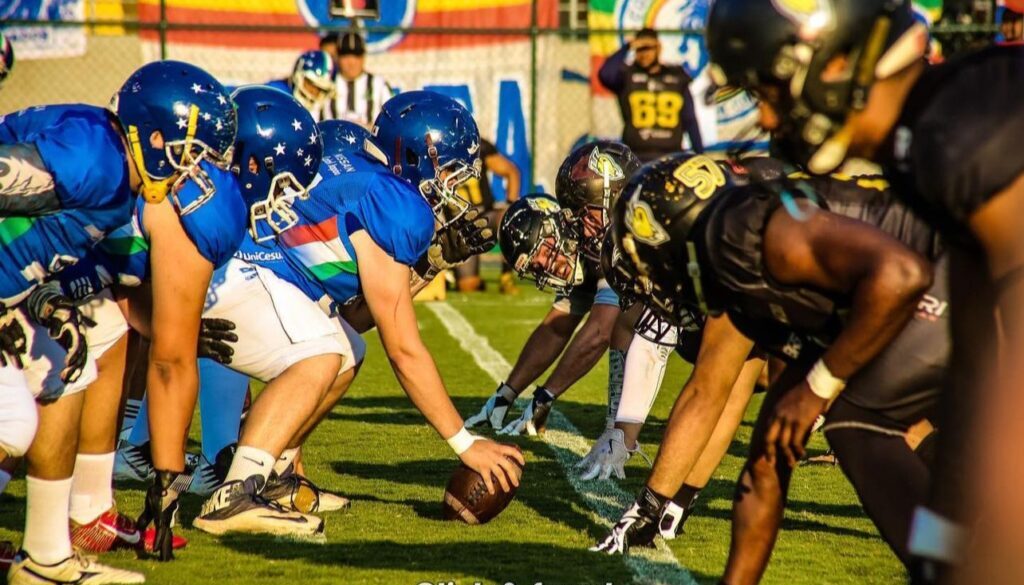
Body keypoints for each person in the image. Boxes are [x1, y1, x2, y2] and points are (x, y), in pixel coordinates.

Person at [706, 1, 1024, 579]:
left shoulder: (956, 134)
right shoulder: (924, 146)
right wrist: (939, 550)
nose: (772, 121)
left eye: (773, 92)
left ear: (834, 60)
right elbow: (977, 373)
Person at [595, 155, 948, 578]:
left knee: (857, 421)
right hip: (916, 288)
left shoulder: (752, 233)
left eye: (655, 261)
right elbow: (712, 397)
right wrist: (652, 508)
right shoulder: (735, 276)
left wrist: (819, 386)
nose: (659, 280)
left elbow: (901, 273)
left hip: (951, 270)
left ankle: (955, 560)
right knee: (771, 452)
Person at [0, 59, 237, 584]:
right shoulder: (96, 158)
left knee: (67, 371)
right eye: (191, 155)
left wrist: (41, 301)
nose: (192, 172)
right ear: (153, 136)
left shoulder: (116, 180)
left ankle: (44, 557)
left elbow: (34, 244)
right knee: (13, 420)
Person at [465, 142, 641, 438]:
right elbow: (555, 328)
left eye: (543, 253)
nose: (547, 267)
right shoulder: (585, 243)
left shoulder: (614, 237)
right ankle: (619, 429)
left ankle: (620, 429)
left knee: (624, 325)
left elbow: (599, 333)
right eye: (535, 268)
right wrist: (507, 394)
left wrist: (545, 396)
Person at [597, 27, 703, 162]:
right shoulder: (627, 76)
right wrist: (628, 46)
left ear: (658, 48)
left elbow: (690, 120)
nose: (644, 54)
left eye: (648, 48)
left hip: (670, 156)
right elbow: (605, 74)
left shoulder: (676, 76)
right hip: (636, 156)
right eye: (639, 49)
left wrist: (700, 155)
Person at [453, 138, 522, 293]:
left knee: (507, 219)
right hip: (460, 226)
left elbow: (512, 172)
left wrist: (510, 204)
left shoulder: (477, 146)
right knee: (467, 286)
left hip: (485, 216)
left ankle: (506, 276)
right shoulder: (434, 153)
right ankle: (454, 274)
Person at [330, 31, 394, 128]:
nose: (351, 62)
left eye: (356, 56)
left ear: (363, 57)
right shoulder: (327, 84)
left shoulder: (379, 85)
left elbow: (392, 119)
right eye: (346, 56)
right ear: (337, 57)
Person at [266, 50, 337, 122]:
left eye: (320, 88)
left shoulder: (323, 108)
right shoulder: (276, 92)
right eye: (310, 83)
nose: (314, 91)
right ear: (298, 76)